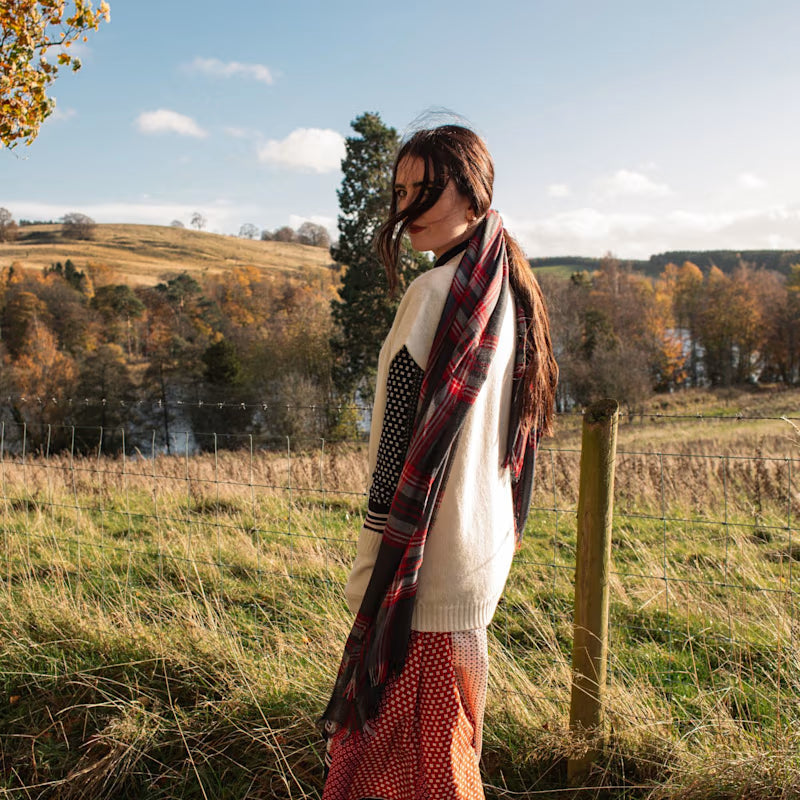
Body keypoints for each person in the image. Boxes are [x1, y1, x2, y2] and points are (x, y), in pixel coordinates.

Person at [320, 123, 558, 800]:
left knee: (402, 774)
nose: (408, 208)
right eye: (400, 191)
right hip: (480, 559)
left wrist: (371, 568)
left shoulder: (433, 298)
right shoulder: (506, 290)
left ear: (472, 191)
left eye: (426, 190)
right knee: (446, 755)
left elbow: (395, 454)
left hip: (425, 576)